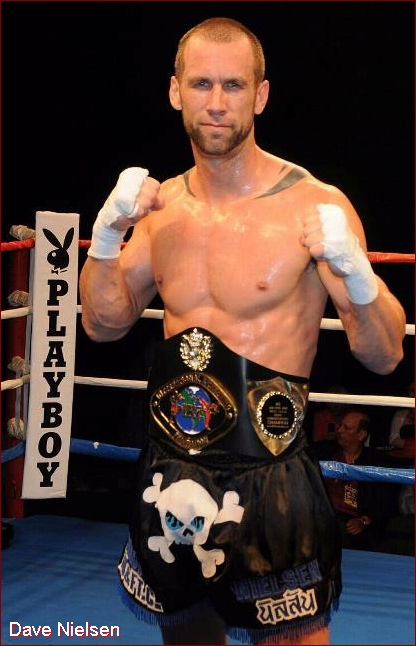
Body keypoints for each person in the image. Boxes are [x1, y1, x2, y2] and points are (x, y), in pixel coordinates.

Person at [79, 17, 406, 646]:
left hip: (272, 473)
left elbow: (386, 354)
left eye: (233, 85)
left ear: (260, 95)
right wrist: (107, 234)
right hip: (175, 471)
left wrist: (357, 276)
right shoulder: (161, 211)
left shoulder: (313, 204)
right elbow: (103, 323)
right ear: (175, 91)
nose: (217, 102)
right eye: (201, 84)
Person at [317, 410, 381, 551]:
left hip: (351, 521)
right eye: (341, 425)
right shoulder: (324, 453)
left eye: (347, 428)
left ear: (361, 435)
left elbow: (382, 502)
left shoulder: (373, 462)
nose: (339, 430)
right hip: (323, 516)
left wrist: (363, 520)